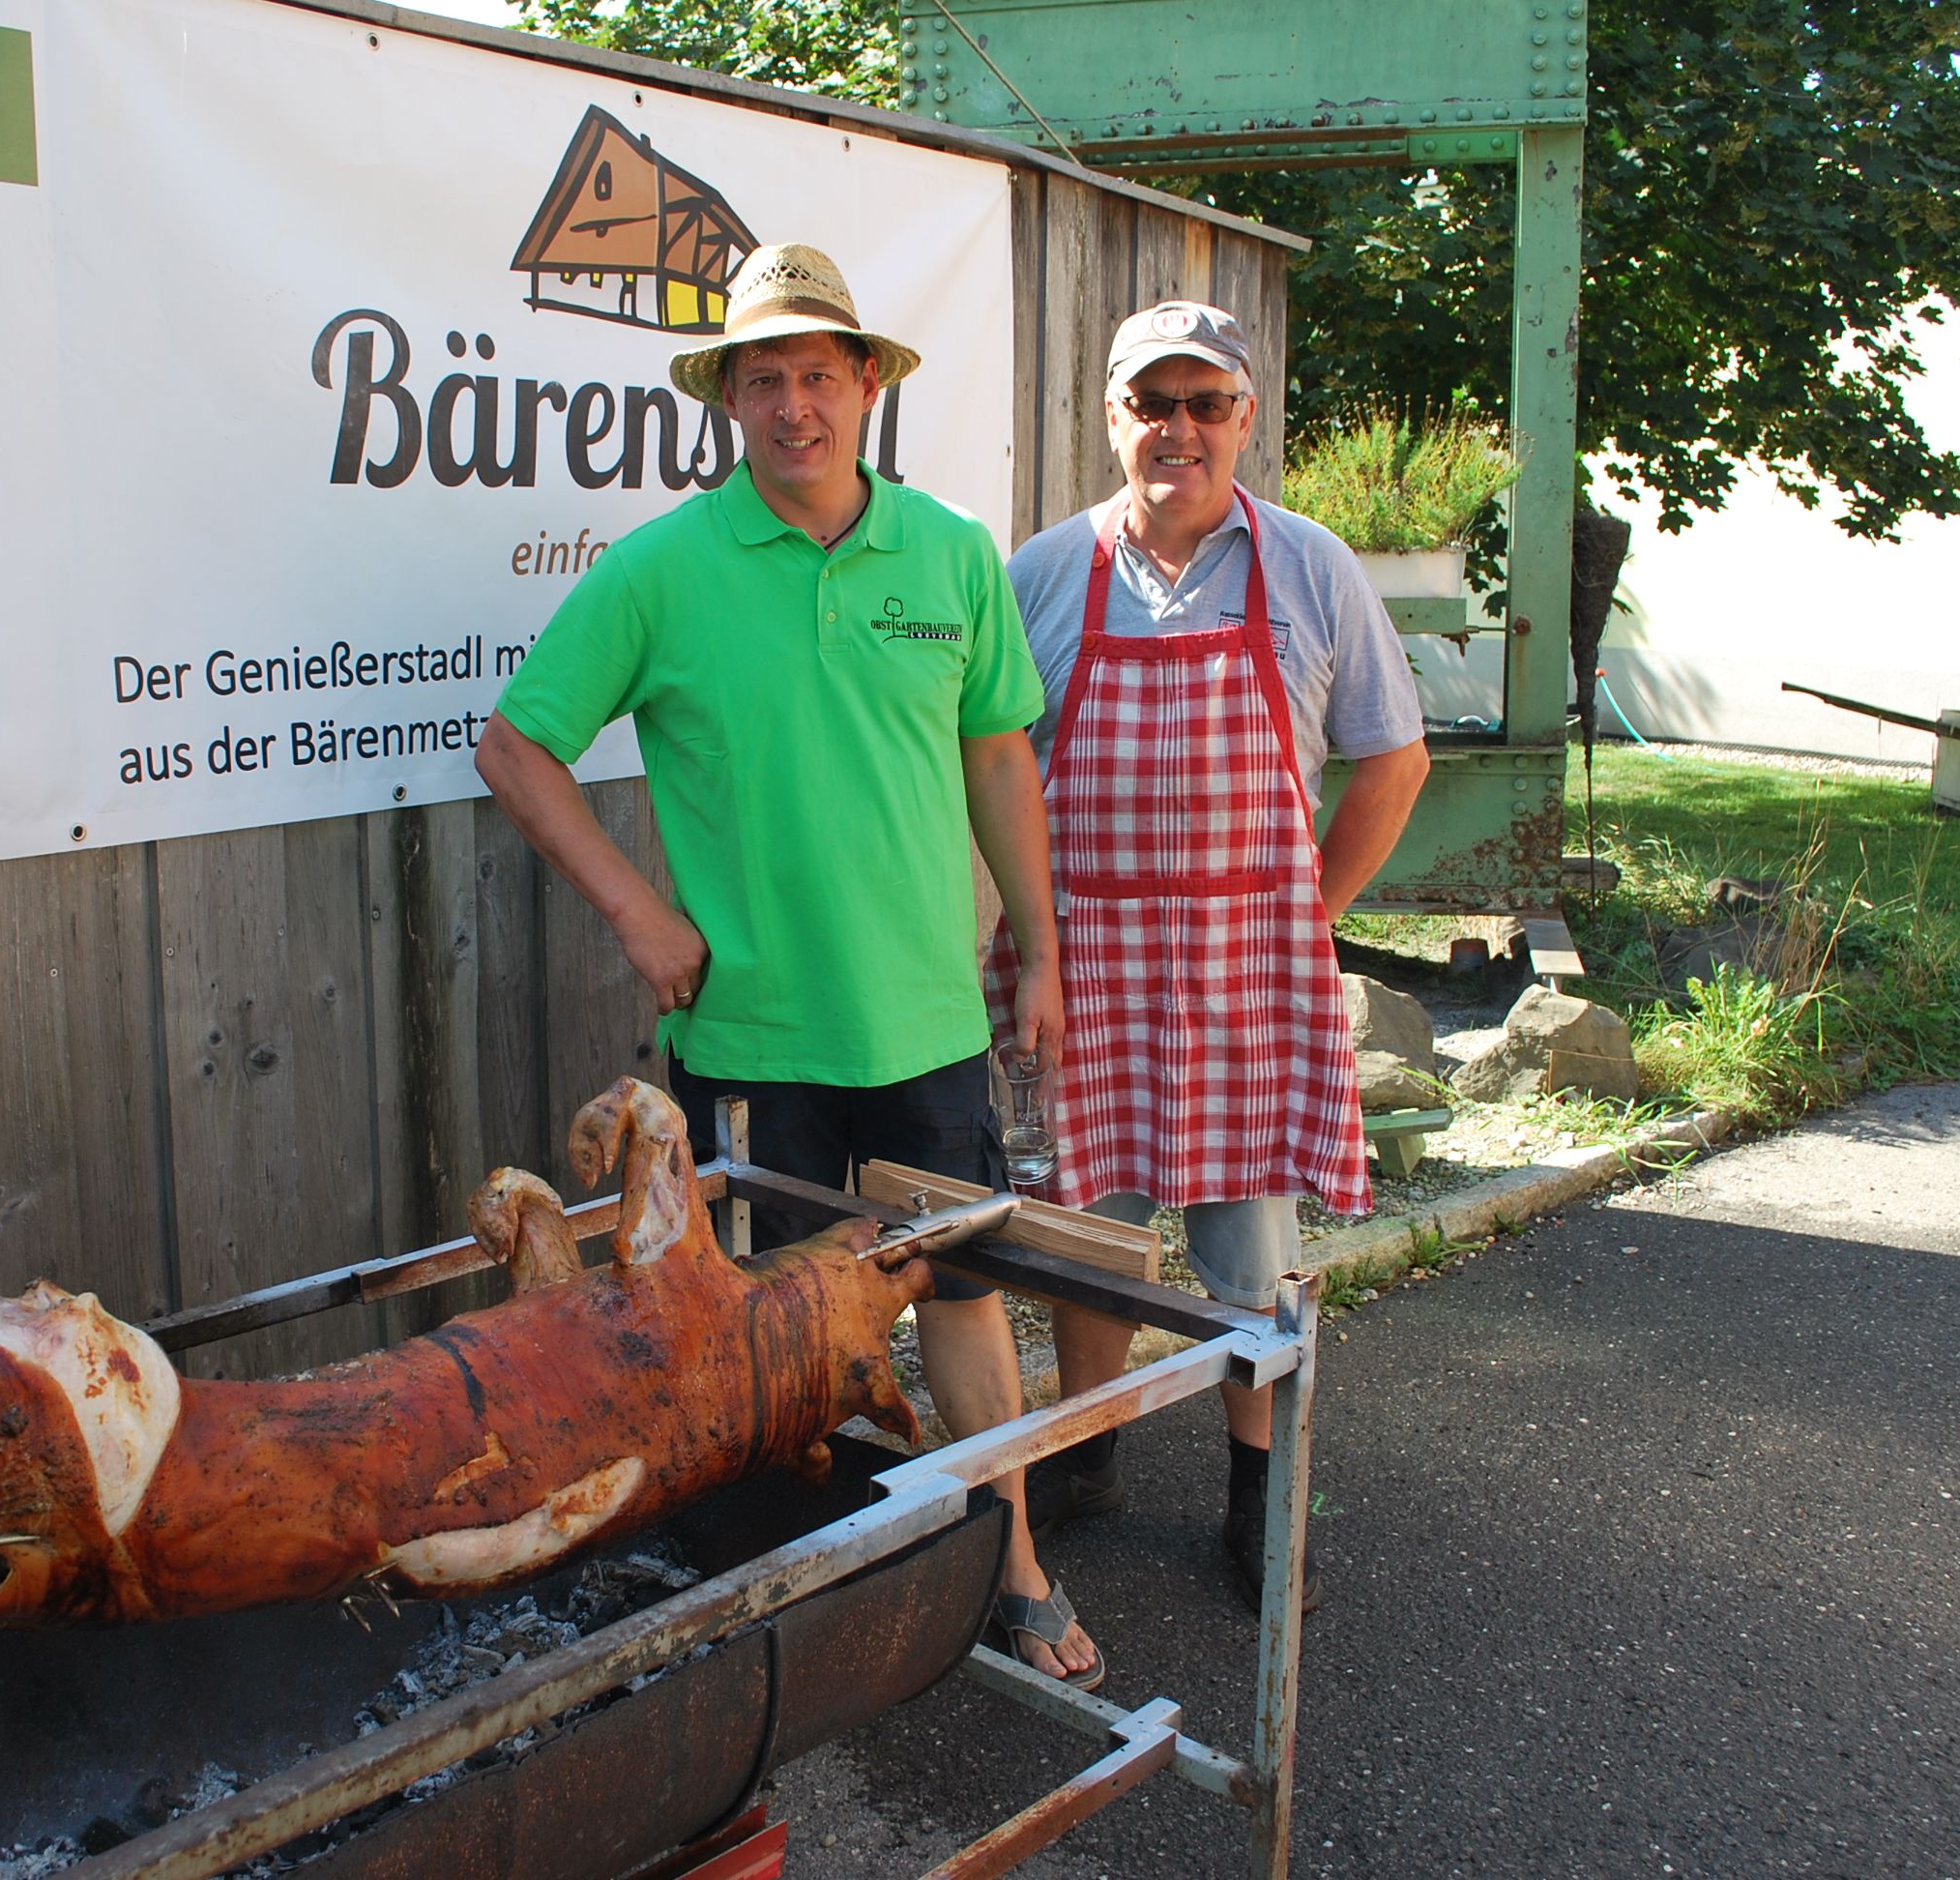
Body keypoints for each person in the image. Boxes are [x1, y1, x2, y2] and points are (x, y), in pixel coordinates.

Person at [475, 243, 1100, 1688]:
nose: (794, 404)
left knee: (962, 1297)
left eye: (819, 373)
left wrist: (1040, 949)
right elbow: (517, 746)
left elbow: (999, 758)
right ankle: (801, 1598)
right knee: (761, 1336)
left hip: (928, 1026)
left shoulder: (950, 552)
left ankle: (1010, 1563)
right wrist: (638, 914)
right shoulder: (661, 571)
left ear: (867, 383)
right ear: (729, 398)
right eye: (765, 378)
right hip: (749, 1040)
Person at [987, 300, 1431, 1606]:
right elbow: (992, 764)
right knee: (1086, 1227)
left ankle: (1258, 1492)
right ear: (1112, 417)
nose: (1178, 429)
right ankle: (1087, 1451)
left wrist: (1309, 910)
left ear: (1245, 417)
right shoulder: (1044, 574)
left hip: (1252, 971)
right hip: (1085, 966)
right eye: (1153, 403)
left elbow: (1394, 760)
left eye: (1207, 404)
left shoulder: (1310, 569)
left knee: (1251, 1249)